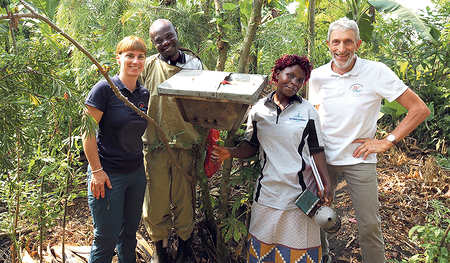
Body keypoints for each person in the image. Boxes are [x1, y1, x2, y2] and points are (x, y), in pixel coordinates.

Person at [308, 17, 431, 263]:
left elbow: (419, 109)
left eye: (347, 42)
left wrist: (388, 140)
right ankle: (323, 258)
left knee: (369, 225)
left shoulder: (375, 72)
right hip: (323, 158)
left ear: (358, 44)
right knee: (318, 217)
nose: (341, 49)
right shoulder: (317, 76)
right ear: (328, 44)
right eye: (336, 42)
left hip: (359, 159)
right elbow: (314, 116)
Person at [211, 54, 333, 263]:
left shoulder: (308, 111)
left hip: (301, 195)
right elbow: (251, 146)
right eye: (290, 76)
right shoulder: (258, 110)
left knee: (299, 255)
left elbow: (316, 150)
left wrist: (327, 183)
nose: (294, 83)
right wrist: (229, 152)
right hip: (268, 193)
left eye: (300, 80)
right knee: (263, 254)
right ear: (277, 74)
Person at [138, 19, 204, 263]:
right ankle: (160, 249)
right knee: (155, 202)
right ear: (154, 44)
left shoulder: (196, 65)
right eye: (158, 40)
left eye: (168, 36)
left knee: (184, 201)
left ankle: (186, 248)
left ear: (176, 33)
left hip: (186, 147)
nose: (165, 43)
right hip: (154, 147)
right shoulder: (149, 67)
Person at [82, 36, 149, 263]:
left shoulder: (143, 94)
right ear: (118, 58)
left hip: (136, 174)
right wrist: (97, 171)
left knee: (129, 235)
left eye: (140, 56)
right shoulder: (104, 89)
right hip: (108, 175)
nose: (135, 61)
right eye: (129, 55)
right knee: (106, 238)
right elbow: (87, 133)